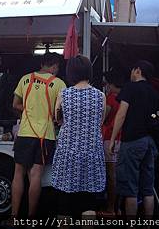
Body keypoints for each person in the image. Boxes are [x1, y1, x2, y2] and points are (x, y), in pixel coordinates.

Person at [5, 52, 66, 225]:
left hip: (24, 133)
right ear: (54, 66)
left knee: (18, 173)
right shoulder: (58, 83)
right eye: (57, 68)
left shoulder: (25, 79)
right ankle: (31, 218)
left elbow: (15, 104)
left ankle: (13, 217)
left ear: (42, 64)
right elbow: (58, 113)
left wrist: (29, 108)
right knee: (36, 174)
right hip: (45, 136)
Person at [51, 55, 106, 221]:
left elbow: (58, 119)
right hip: (91, 153)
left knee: (64, 203)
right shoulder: (100, 96)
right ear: (89, 71)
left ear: (71, 73)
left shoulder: (64, 95)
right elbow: (100, 121)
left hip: (68, 153)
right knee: (88, 203)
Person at [109, 60, 159, 219]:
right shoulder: (154, 92)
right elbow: (158, 118)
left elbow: (121, 114)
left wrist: (112, 139)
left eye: (133, 70)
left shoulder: (130, 88)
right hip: (150, 142)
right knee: (147, 188)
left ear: (137, 71)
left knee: (130, 188)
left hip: (132, 141)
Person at [101, 70, 124, 216]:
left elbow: (103, 117)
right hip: (123, 139)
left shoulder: (111, 98)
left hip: (110, 139)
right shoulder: (126, 97)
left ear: (111, 83)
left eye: (107, 84)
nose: (106, 87)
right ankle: (119, 207)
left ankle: (110, 208)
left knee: (111, 176)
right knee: (119, 175)